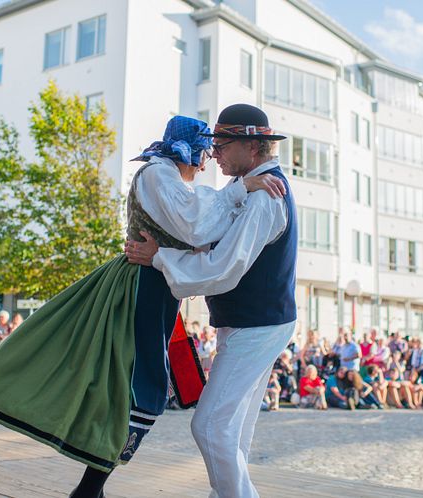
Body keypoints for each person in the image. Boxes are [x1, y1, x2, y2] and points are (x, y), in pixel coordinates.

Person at [0, 115, 285, 498]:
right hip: (141, 284)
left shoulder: (175, 182)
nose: (206, 162)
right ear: (189, 150)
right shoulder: (157, 175)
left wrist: (235, 196)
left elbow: (202, 226)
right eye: (204, 152)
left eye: (215, 150)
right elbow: (198, 227)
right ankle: (88, 488)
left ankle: (90, 488)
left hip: (156, 285)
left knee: (132, 385)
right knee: (136, 386)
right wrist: (239, 190)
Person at [126, 104, 296, 498]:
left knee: (210, 426)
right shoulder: (253, 187)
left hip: (257, 324)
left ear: (252, 146)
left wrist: (160, 258)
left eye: (221, 143)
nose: (213, 152)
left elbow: (224, 266)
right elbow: (212, 233)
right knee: (232, 428)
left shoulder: (265, 196)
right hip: (255, 321)